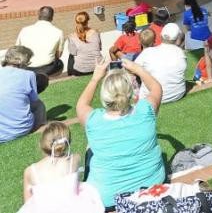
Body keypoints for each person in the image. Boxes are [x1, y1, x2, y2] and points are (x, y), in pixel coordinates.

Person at [77, 58, 165, 209]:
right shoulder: (145, 110)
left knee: (90, 147)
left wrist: (95, 78)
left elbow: (82, 104)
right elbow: (156, 88)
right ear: (130, 91)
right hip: (153, 185)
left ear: (105, 96)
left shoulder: (93, 120)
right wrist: (137, 69)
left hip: (107, 198)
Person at [20, 122, 103, 213]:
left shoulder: (30, 171)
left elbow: (28, 204)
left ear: (42, 143)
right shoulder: (74, 160)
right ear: (67, 142)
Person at [0, 46, 47, 143]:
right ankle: (42, 126)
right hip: (22, 129)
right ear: (24, 61)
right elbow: (34, 99)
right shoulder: (28, 75)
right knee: (39, 105)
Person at [135, 23, 187, 104]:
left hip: (152, 98)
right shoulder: (180, 53)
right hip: (177, 94)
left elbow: (132, 69)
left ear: (161, 36)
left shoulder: (148, 52)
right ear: (177, 39)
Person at [16, 7, 64, 76]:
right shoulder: (59, 32)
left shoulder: (24, 30)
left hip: (26, 67)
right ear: (52, 17)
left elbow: (17, 50)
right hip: (47, 68)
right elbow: (59, 55)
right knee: (60, 63)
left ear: (38, 15)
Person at [66, 12, 102, 76]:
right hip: (98, 67)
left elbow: (73, 53)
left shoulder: (71, 36)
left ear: (76, 21)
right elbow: (99, 48)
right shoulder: (96, 33)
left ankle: (70, 75)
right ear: (87, 21)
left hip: (81, 70)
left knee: (71, 55)